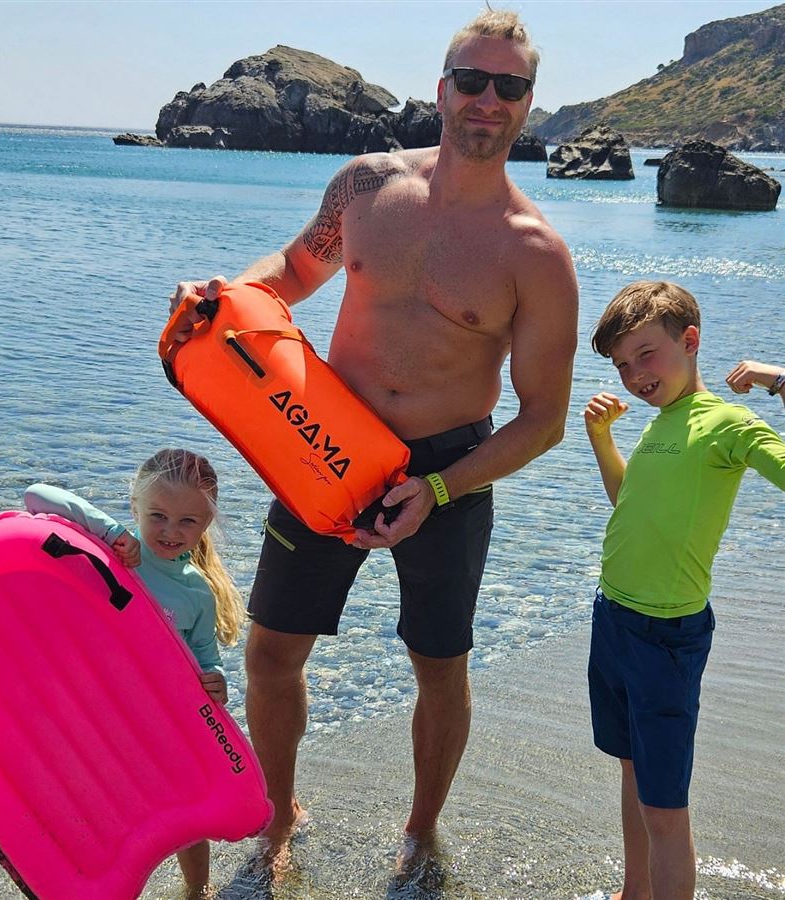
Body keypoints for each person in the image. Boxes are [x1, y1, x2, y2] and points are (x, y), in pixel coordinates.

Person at [169, 8, 578, 877]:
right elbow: (292, 273)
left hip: (448, 471)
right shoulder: (365, 187)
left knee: (439, 663)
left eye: (509, 86)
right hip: (324, 448)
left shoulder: (537, 254)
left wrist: (439, 489)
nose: (488, 99)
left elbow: (543, 418)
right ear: (443, 88)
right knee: (272, 652)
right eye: (472, 79)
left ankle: (421, 831)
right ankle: (278, 817)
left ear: (528, 102)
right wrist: (225, 296)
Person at [583, 281, 784, 900]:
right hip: (613, 617)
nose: (634, 375)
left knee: (664, 806)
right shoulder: (663, 422)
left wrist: (780, 379)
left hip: (664, 634)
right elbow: (629, 504)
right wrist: (602, 441)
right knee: (633, 772)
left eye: (645, 354)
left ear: (689, 340)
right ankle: (633, 893)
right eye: (622, 364)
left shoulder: (727, 424)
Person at [25, 448, 244, 900]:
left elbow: (204, 654)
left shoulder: (195, 591)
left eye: (188, 521)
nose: (170, 531)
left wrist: (215, 678)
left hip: (157, 724)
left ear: (206, 524)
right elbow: (36, 495)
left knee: (184, 813)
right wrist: (111, 531)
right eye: (157, 515)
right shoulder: (113, 552)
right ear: (135, 506)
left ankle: (197, 890)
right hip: (94, 717)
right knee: (106, 814)